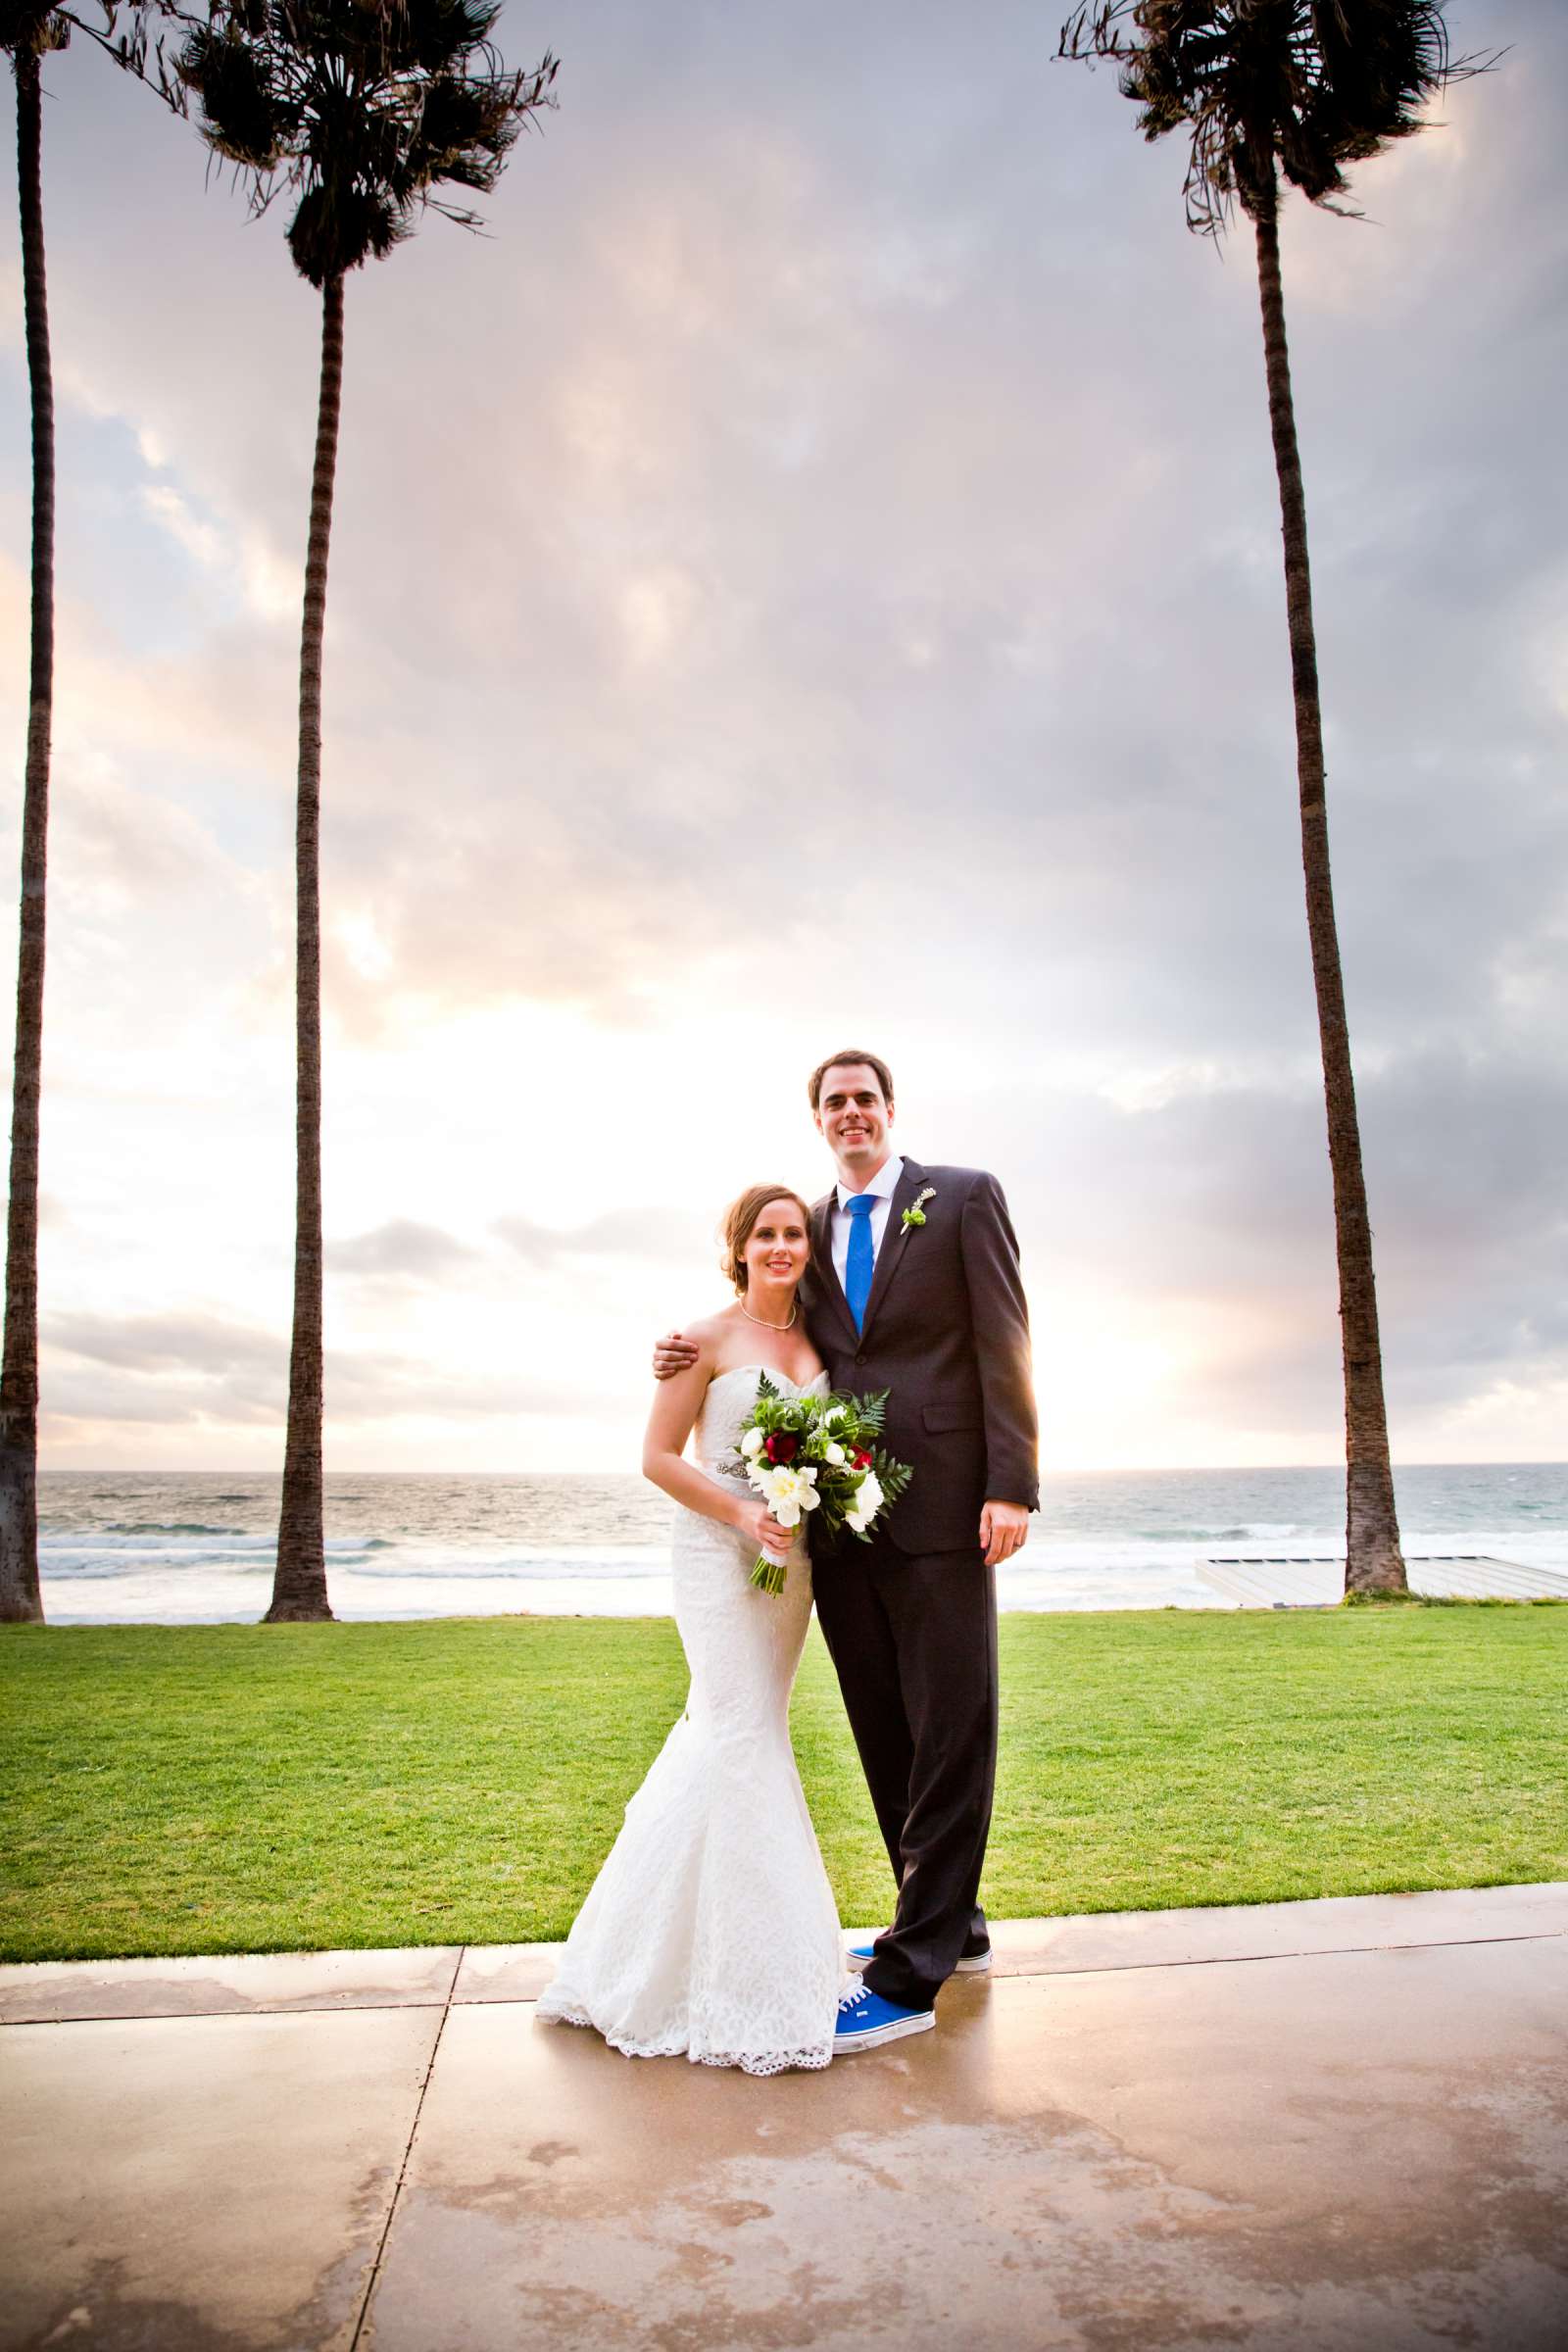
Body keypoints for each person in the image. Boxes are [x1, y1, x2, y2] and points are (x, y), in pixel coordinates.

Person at [655, 1052, 1038, 2054]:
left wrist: (1011, 1485)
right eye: (834, 1103)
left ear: (890, 1110)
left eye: (864, 1098)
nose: (851, 1113)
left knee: (954, 1725)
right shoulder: (806, 1231)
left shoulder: (958, 1199)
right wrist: (682, 1348)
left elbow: (1005, 1340)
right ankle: (954, 1927)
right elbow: (768, 1325)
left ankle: (908, 1977)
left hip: (951, 1508)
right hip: (840, 1521)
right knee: (884, 1732)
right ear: (818, 1121)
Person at [535, 1186, 849, 2074]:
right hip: (718, 1556)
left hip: (792, 1568)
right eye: (766, 1235)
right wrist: (743, 1515)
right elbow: (656, 1457)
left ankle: (721, 1958)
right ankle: (715, 1980)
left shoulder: (826, 1341)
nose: (782, 1246)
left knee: (749, 1735)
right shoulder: (701, 1341)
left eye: (795, 1234)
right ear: (740, 1247)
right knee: (736, 1735)